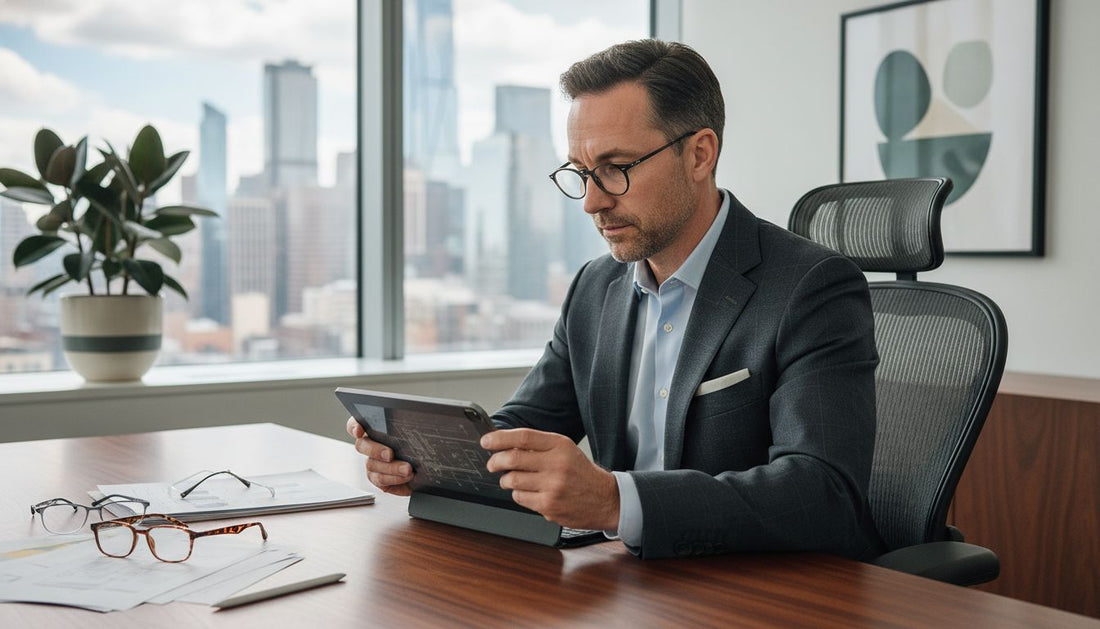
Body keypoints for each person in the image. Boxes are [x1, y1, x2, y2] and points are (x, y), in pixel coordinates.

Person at [348, 39, 886, 560]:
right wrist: (432, 458)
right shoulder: (595, 286)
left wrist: (614, 501)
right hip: (633, 581)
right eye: (581, 173)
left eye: (615, 168)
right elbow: (526, 425)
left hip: (766, 588)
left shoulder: (811, 286)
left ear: (700, 154)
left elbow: (823, 493)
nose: (591, 202)